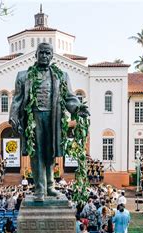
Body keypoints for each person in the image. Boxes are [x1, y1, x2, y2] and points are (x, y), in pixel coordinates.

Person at [9, 42, 89, 201]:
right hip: (34, 118)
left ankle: (50, 186)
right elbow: (17, 100)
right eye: (41, 53)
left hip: (53, 118)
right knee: (36, 153)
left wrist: (78, 109)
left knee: (50, 152)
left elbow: (69, 98)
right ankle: (39, 189)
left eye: (47, 53)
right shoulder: (23, 76)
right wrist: (13, 116)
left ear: (52, 56)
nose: (44, 56)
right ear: (36, 55)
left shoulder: (62, 76)